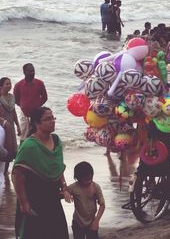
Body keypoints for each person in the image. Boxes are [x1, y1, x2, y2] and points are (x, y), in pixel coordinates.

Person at [12, 107, 71, 239]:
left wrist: (64, 187)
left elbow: (58, 167)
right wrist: (23, 202)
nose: (52, 121)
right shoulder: (29, 145)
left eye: (53, 118)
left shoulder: (56, 141)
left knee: (58, 232)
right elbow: (17, 174)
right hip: (35, 197)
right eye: (48, 119)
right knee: (35, 233)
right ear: (36, 123)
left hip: (53, 196)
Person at [67, 162, 105, 239]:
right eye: (86, 180)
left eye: (90, 179)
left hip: (92, 222)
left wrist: (96, 221)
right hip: (77, 222)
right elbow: (63, 191)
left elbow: (102, 205)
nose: (89, 181)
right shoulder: (74, 187)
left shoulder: (95, 187)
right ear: (78, 178)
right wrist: (65, 192)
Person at [13, 63, 48, 142]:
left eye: (33, 71)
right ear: (24, 72)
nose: (32, 73)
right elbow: (16, 99)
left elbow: (45, 97)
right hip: (24, 113)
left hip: (37, 112)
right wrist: (23, 106)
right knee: (23, 134)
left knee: (37, 133)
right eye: (30, 71)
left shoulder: (40, 83)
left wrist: (37, 106)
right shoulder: (18, 85)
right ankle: (22, 151)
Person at [0, 77, 20, 173]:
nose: (9, 85)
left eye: (10, 83)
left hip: (10, 125)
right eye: (7, 84)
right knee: (2, 147)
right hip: (1, 126)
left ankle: (6, 170)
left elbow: (14, 112)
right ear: (1, 86)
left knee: (10, 148)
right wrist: (3, 121)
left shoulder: (12, 97)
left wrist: (18, 126)